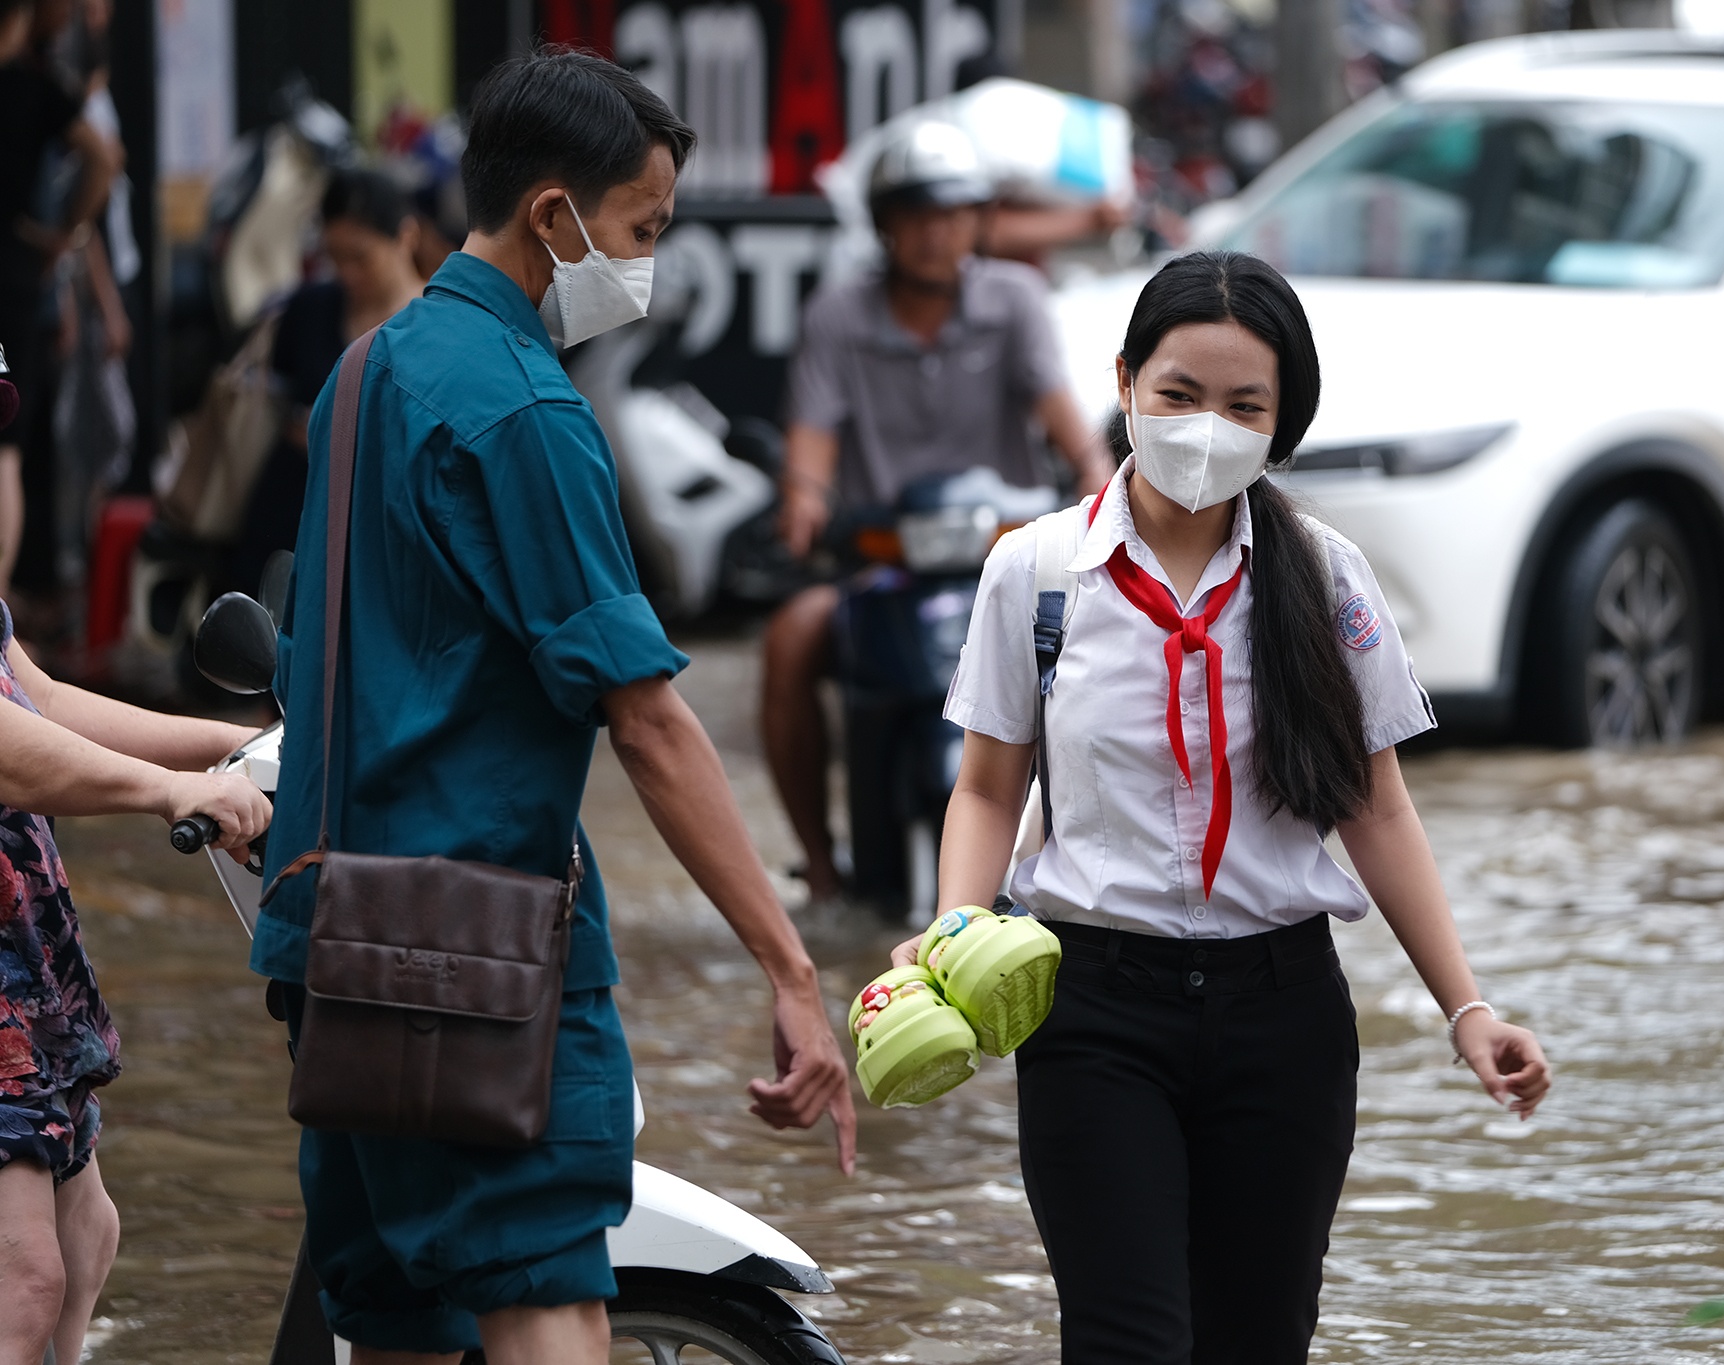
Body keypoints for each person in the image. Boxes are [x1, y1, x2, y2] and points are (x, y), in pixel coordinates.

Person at [255, 48, 855, 1365]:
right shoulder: (525, 407)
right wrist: (791, 966)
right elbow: (647, 721)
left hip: (330, 939)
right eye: (641, 229)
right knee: (543, 1299)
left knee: (395, 1317)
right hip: (476, 950)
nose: (645, 262)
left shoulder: (367, 371)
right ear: (553, 217)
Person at [901, 251, 1552, 1362]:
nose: (1206, 425)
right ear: (1123, 385)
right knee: (1127, 1343)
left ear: (1280, 419)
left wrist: (1467, 1012)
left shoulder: (1328, 579)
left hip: (1282, 1016)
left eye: (1242, 404)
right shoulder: (1037, 572)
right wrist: (951, 940)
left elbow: (1376, 812)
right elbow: (987, 785)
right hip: (1092, 1010)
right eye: (1178, 394)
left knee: (1257, 1340)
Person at [767, 118, 1114, 905]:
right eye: (919, 215)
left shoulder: (1014, 299)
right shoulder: (838, 315)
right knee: (789, 641)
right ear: (885, 224)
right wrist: (803, 501)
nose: (938, 233)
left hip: (1009, 557)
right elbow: (812, 443)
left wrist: (1098, 480)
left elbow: (1064, 417)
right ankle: (822, 864)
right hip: (884, 564)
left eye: (955, 213)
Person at [0, 595, 269, 1365]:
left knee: (87, 1236)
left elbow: (37, 702)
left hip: (24, 957)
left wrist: (230, 746)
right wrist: (166, 789)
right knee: (23, 1280)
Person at [227, 167, 425, 598]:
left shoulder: (433, 325)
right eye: (335, 257)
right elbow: (277, 397)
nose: (347, 273)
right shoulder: (310, 307)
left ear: (405, 237)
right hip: (293, 510)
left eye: (360, 257)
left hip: (383, 523)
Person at [0, 0, 109, 605]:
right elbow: (104, 157)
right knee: (5, 448)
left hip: (17, 277)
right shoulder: (31, 87)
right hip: (12, 270)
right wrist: (65, 234)